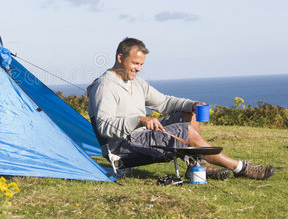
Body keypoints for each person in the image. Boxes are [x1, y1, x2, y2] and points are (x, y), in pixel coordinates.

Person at [87, 37, 275, 180]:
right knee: (186, 132)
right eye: (135, 64)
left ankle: (197, 163)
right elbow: (105, 127)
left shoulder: (137, 84)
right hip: (123, 145)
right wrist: (139, 119)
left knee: (188, 114)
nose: (138, 69)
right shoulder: (105, 86)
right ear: (120, 58)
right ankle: (241, 168)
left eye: (141, 65)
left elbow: (164, 102)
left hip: (142, 135)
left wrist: (191, 105)